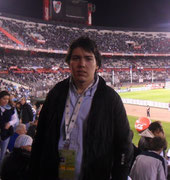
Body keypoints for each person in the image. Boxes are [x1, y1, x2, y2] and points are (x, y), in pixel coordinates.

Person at [29, 36, 133, 180]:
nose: (82, 64)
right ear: (69, 63)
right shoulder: (56, 93)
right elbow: (40, 138)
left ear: (97, 65)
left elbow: (124, 144)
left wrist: (119, 176)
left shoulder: (110, 99)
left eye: (88, 58)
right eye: (76, 58)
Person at [0, 91, 18, 166]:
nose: (6, 101)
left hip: (6, 133)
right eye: (4, 99)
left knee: (3, 153)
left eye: (7, 99)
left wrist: (9, 123)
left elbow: (15, 119)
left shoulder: (11, 108)